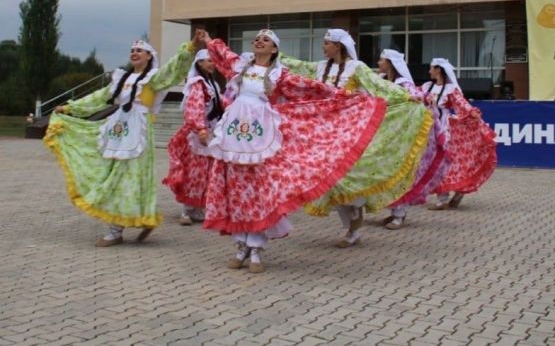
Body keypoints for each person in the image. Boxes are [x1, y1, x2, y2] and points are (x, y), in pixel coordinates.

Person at [199, 29, 385, 272]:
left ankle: (255, 248)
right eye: (256, 38)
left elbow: (312, 88)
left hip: (263, 134)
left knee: (258, 190)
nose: (258, 41)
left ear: (274, 49)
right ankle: (240, 246)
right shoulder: (240, 66)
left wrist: (346, 96)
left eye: (265, 40)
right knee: (236, 189)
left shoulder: (280, 75)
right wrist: (206, 40)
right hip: (234, 134)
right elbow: (223, 53)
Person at [44, 31, 204, 246]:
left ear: (149, 56)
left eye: (140, 50)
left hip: (138, 131)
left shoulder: (153, 79)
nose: (135, 53)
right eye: (132, 50)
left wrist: (190, 47)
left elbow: (172, 70)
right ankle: (135, 221)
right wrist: (70, 107)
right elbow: (100, 97)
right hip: (117, 129)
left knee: (132, 177)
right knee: (114, 174)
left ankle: (117, 228)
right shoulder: (122, 78)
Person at [282, 29, 431, 247]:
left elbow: (380, 87)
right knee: (328, 178)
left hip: (349, 130)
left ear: (338, 46)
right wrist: (275, 55)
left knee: (346, 177)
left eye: (326, 43)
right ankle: (352, 218)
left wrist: (408, 96)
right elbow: (298, 66)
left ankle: (353, 227)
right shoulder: (320, 67)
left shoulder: (357, 68)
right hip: (324, 131)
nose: (323, 47)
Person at [378, 49, 450, 230]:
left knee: (399, 173)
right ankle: (393, 210)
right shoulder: (383, 80)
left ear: (390, 63)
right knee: (387, 173)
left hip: (401, 135)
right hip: (387, 133)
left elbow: (418, 96)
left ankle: (399, 214)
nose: (379, 63)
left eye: (381, 60)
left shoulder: (403, 83)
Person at [423, 58, 497, 211]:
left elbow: (461, 104)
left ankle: (443, 198)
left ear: (438, 70)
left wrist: (472, 113)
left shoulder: (450, 89)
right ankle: (448, 195)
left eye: (431, 68)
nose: (429, 71)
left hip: (443, 128)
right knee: (431, 161)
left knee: (442, 161)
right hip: (428, 127)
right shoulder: (426, 86)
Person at [163, 49, 222, 225]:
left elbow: (221, 104)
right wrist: (200, 129)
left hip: (210, 131)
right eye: (208, 61)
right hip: (197, 134)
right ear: (199, 63)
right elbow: (194, 107)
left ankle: (198, 209)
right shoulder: (197, 83)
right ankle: (186, 211)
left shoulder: (213, 85)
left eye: (213, 61)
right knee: (194, 172)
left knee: (206, 172)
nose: (211, 64)